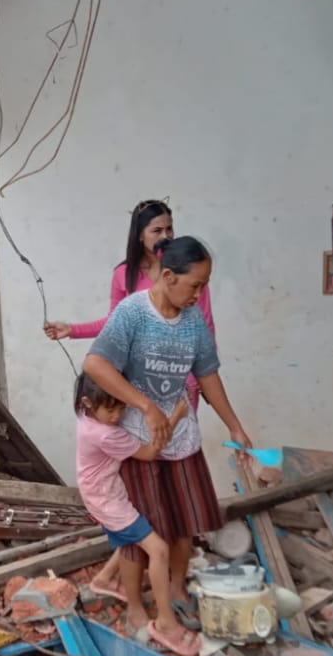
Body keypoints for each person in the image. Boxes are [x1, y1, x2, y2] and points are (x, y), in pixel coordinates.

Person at [44, 200, 220, 603]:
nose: (165, 236)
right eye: (157, 230)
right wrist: (73, 330)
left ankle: (171, 586)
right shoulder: (127, 279)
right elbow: (114, 327)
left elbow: (203, 332)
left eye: (169, 229)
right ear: (140, 235)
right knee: (144, 501)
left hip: (179, 400)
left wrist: (197, 390)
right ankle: (133, 582)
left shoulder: (191, 277)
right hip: (137, 406)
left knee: (180, 503)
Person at [83, 236, 257, 632]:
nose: (199, 293)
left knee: (183, 523)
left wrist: (235, 425)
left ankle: (177, 591)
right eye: (194, 284)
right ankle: (135, 607)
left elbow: (207, 375)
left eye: (204, 285)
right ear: (167, 276)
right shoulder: (132, 314)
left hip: (180, 439)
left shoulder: (193, 321)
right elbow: (95, 365)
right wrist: (145, 405)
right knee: (139, 532)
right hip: (138, 442)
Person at [73, 373, 199, 655]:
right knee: (159, 549)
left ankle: (104, 579)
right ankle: (165, 622)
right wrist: (177, 414)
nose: (117, 415)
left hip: (98, 492)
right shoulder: (106, 433)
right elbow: (150, 452)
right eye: (111, 409)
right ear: (88, 402)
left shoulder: (86, 418)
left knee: (130, 535)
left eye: (121, 407)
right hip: (108, 501)